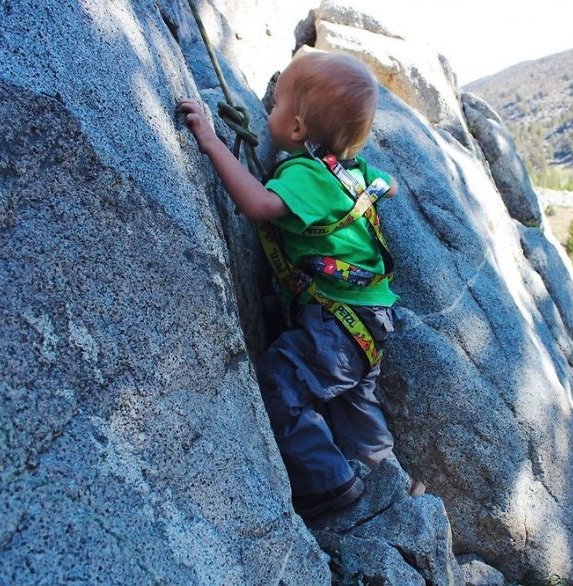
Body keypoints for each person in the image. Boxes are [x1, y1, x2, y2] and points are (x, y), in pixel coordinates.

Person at [177, 51, 414, 518]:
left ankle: (331, 484)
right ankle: (385, 476)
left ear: (298, 129)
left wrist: (210, 140)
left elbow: (259, 205)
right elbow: (391, 186)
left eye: (278, 105)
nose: (269, 113)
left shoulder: (306, 175)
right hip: (370, 320)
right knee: (353, 403)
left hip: (336, 324)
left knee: (282, 382)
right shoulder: (350, 169)